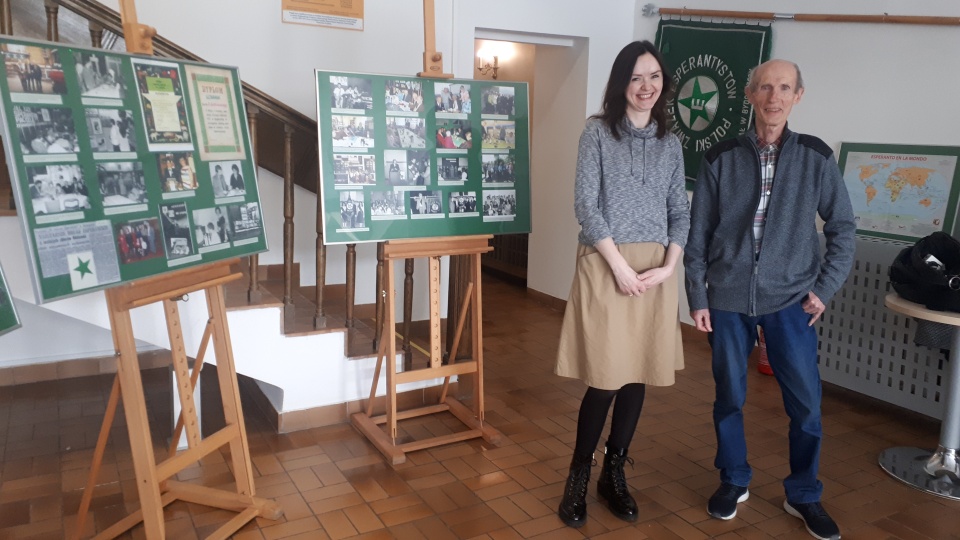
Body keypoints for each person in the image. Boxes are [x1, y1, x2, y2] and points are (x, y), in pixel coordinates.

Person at [683, 59, 855, 540]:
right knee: (729, 396)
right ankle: (733, 479)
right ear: (750, 95)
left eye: (784, 88)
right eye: (764, 87)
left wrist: (823, 289)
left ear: (798, 95)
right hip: (728, 298)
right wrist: (698, 295)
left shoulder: (816, 157)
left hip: (791, 301)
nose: (774, 96)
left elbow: (843, 230)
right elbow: (698, 236)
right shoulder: (720, 157)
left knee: (806, 406)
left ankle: (803, 493)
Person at [553, 41, 689, 528]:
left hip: (655, 270)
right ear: (620, 84)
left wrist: (669, 267)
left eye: (654, 76)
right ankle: (577, 476)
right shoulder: (596, 134)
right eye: (636, 77)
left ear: (663, 84)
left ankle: (614, 473)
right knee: (606, 378)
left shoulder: (670, 143)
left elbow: (680, 210)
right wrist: (619, 267)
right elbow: (586, 206)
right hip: (607, 263)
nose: (646, 86)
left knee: (638, 374)